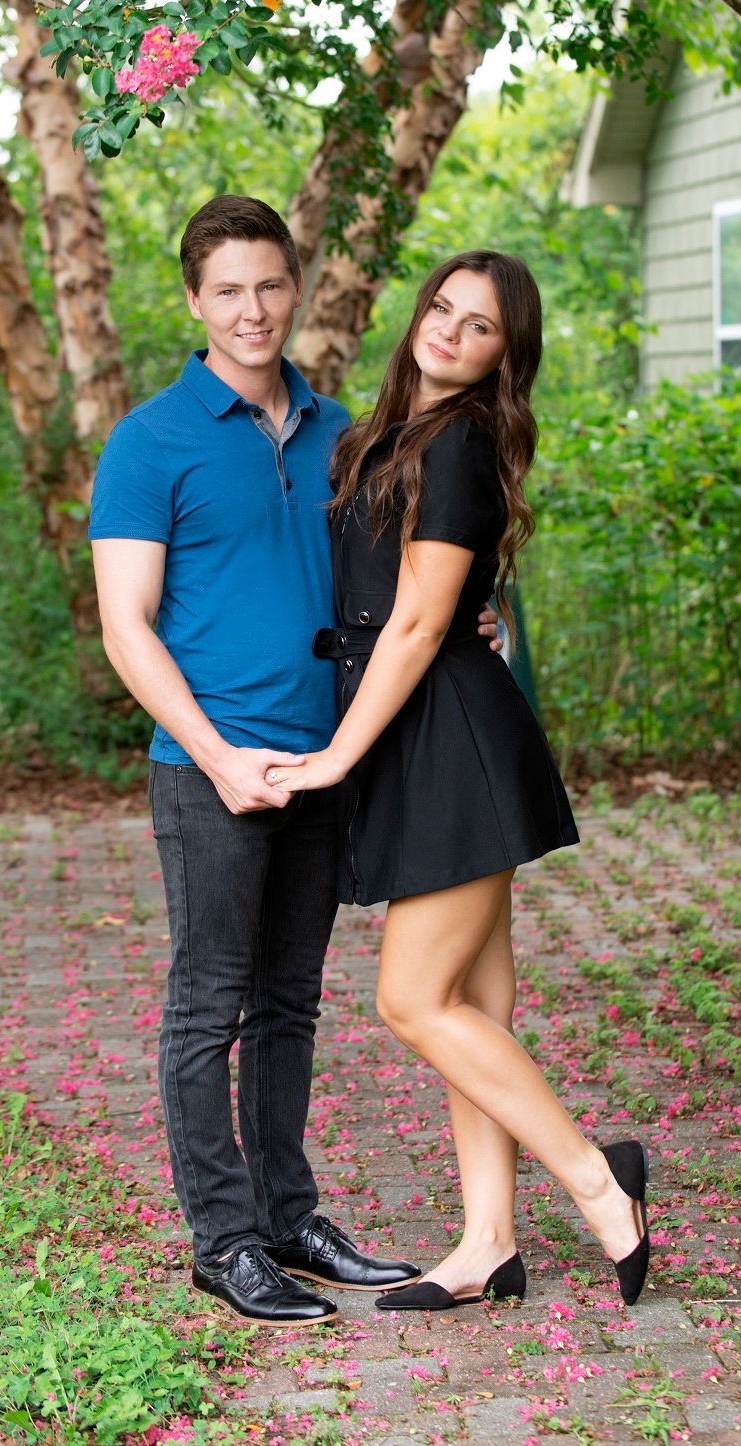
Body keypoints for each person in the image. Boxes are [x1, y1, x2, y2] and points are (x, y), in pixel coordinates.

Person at [88, 196, 497, 1328]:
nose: (252, 309)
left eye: (269, 284)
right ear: (194, 302)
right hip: (209, 767)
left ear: (296, 289)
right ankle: (224, 1243)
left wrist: (481, 620)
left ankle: (286, 1216)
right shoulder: (149, 442)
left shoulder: (345, 435)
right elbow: (126, 625)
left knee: (289, 1005)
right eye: (228, 290)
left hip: (325, 761)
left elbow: (412, 583)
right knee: (207, 1006)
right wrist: (218, 756)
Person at [268, 251, 653, 1310]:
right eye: (441, 307)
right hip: (427, 734)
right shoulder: (380, 436)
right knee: (476, 1003)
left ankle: (601, 1181)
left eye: (478, 325)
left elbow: (421, 621)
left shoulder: (462, 443)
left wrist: (337, 757)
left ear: (502, 357)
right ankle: (487, 1241)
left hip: (450, 742)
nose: (448, 329)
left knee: (413, 999)